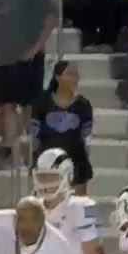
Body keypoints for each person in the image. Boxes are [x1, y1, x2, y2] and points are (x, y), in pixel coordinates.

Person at [0, 0, 58, 161]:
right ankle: (9, 148)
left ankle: (30, 151)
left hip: (27, 58)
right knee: (6, 104)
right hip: (1, 57)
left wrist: (36, 47)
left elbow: (52, 16)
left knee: (29, 105)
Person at [31, 61, 94, 193]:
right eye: (70, 74)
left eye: (76, 75)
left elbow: (86, 137)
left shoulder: (83, 105)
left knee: (77, 201)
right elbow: (35, 137)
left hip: (76, 160)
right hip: (48, 162)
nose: (74, 78)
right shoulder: (42, 102)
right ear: (58, 77)